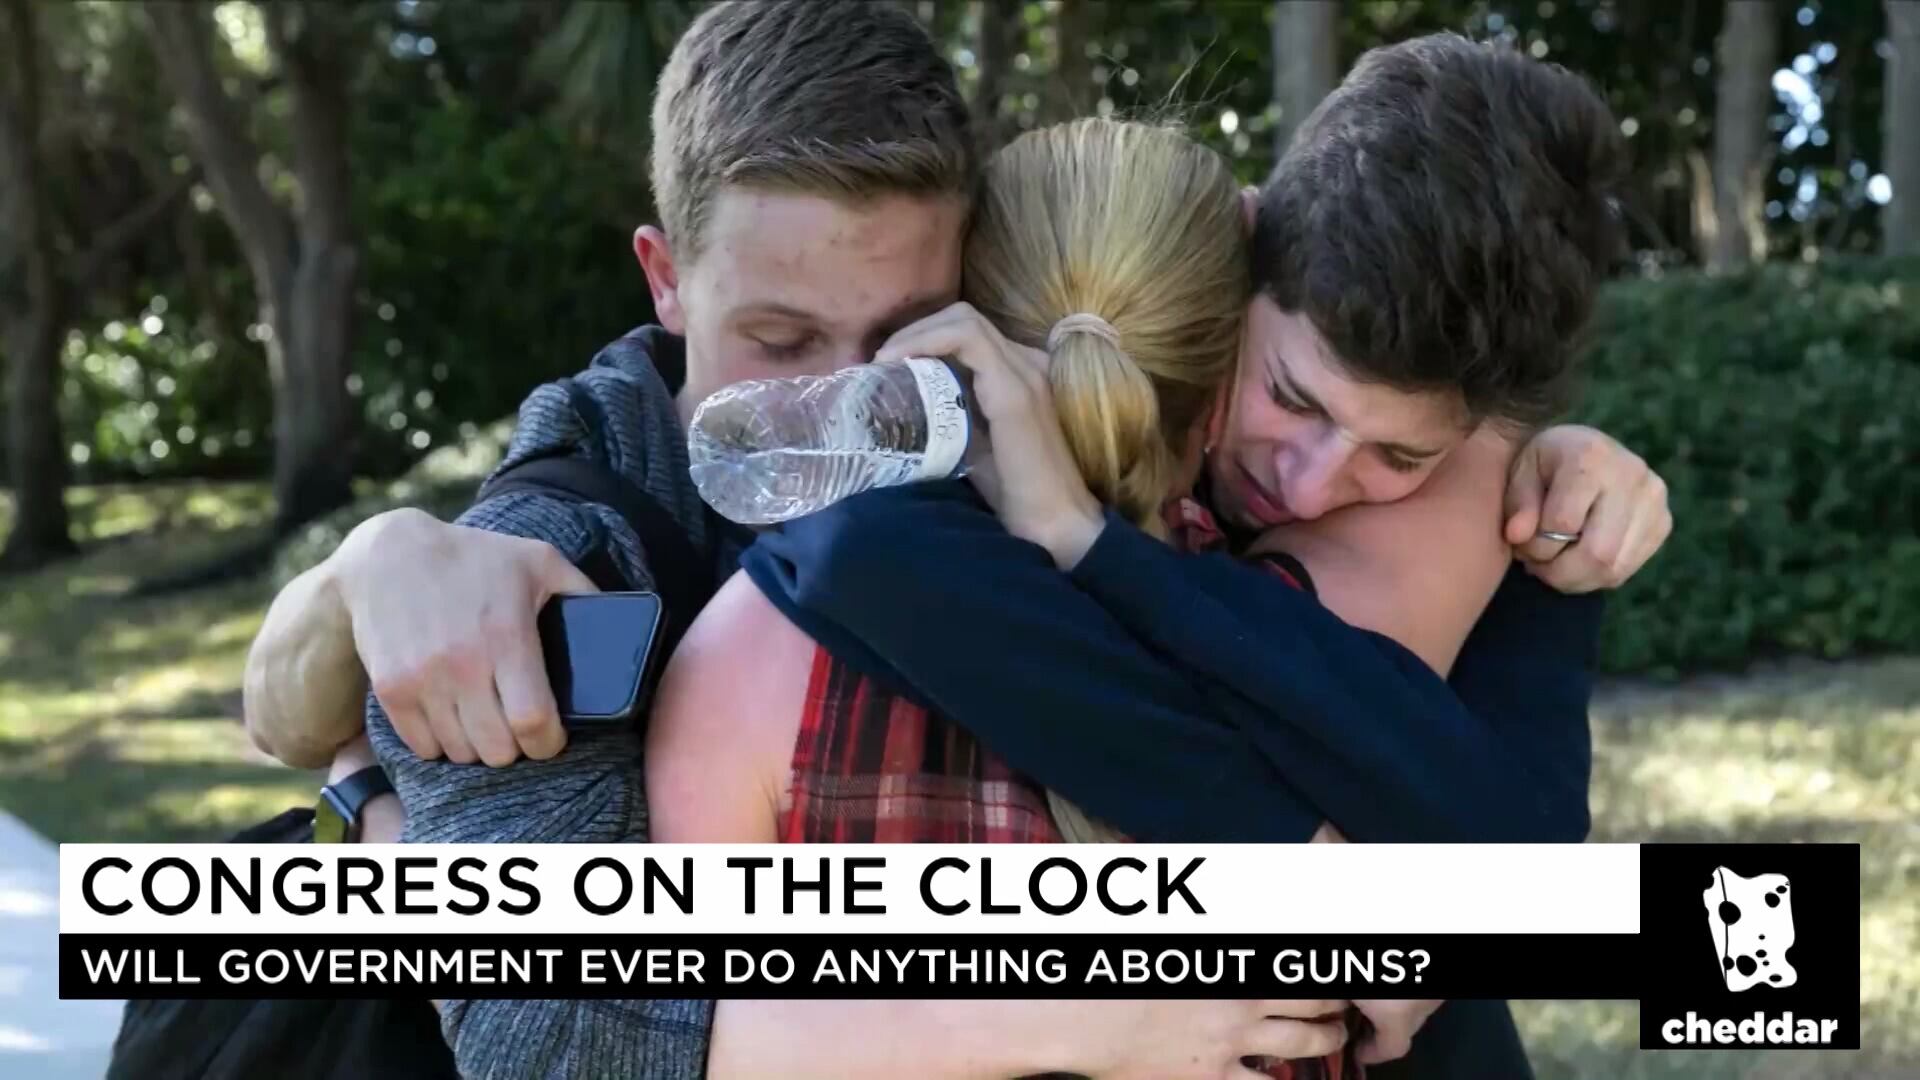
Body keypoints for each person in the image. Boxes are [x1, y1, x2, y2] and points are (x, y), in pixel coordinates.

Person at [241, 5, 1669, 1076]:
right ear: (666, 281)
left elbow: (1503, 856)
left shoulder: (1246, 481)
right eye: (778, 338)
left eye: (911, 342)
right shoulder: (574, 531)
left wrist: (1550, 512)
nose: (842, 403)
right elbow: (554, 1035)